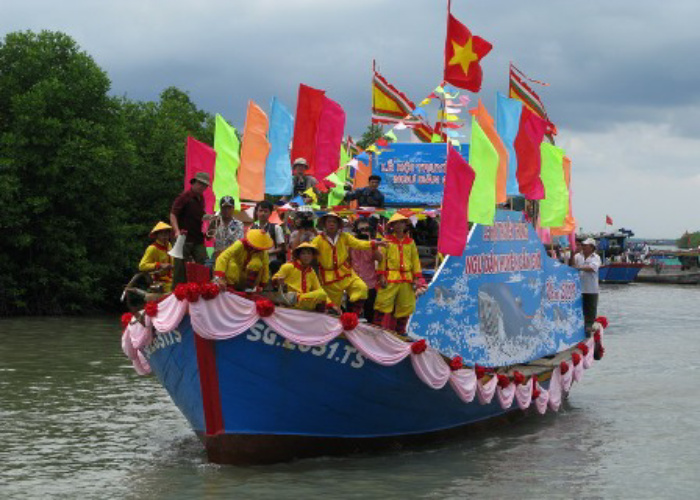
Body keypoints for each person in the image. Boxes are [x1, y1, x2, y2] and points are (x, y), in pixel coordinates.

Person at [311, 212, 384, 314]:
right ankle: (337, 323)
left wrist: (373, 243)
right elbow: (310, 251)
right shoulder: (318, 240)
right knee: (333, 307)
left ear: (338, 225)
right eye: (329, 222)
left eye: (334, 222)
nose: (331, 224)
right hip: (328, 277)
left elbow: (358, 243)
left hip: (345, 272)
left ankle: (353, 316)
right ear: (324, 224)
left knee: (361, 288)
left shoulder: (344, 236)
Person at [373, 213, 422, 335]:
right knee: (383, 302)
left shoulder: (410, 242)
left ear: (405, 224)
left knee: (406, 305)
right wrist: (382, 275)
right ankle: (376, 329)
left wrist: (416, 278)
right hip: (391, 276)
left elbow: (415, 260)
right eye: (396, 223)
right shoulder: (386, 241)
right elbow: (382, 259)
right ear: (392, 226)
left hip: (407, 278)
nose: (399, 226)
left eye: (401, 223)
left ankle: (400, 332)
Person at [170, 171, 210, 286]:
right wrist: (177, 231)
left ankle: (204, 290)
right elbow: (173, 214)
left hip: (197, 238)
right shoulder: (184, 197)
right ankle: (177, 295)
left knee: (204, 263)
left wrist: (210, 217)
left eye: (205, 185)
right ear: (194, 183)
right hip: (183, 238)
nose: (202, 187)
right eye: (200, 183)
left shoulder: (201, 198)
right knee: (180, 270)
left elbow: (199, 216)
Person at [271, 243, 329, 312]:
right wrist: (278, 281)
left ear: (312, 256)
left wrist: (332, 304)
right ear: (299, 256)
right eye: (303, 254)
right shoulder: (289, 266)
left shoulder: (311, 271)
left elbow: (318, 289)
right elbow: (275, 279)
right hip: (291, 299)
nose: (306, 256)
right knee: (321, 295)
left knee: (322, 293)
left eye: (308, 253)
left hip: (304, 300)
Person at [350, 218, 382, 321]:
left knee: (370, 316)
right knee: (352, 315)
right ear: (356, 230)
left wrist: (371, 245)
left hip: (370, 284)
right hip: (353, 284)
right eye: (362, 229)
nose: (364, 231)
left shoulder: (374, 243)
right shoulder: (350, 243)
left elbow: (380, 258)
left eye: (367, 229)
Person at [573, 238, 601, 334]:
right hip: (578, 288)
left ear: (592, 247)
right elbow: (572, 266)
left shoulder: (596, 257)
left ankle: (588, 330)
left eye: (586, 245)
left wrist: (579, 268)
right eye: (583, 245)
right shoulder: (577, 256)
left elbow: (593, 268)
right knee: (578, 310)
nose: (583, 247)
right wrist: (572, 253)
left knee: (590, 311)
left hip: (591, 289)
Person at [251, 200, 286, 275]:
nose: (262, 213)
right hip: (255, 263)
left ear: (270, 213)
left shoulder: (276, 228)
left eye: (266, 211)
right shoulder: (252, 228)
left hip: (271, 263)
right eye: (260, 211)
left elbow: (281, 248)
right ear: (256, 212)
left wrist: (267, 253)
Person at [138, 222, 174, 293]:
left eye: (166, 233)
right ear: (157, 235)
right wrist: (159, 265)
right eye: (162, 234)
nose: (165, 236)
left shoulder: (169, 245)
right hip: (159, 282)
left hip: (172, 279)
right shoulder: (152, 248)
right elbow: (142, 266)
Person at [207, 195, 244, 260]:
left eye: (229, 208)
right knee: (207, 266)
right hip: (217, 256)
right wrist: (212, 225)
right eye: (224, 208)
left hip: (232, 257)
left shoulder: (239, 224)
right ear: (220, 208)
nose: (226, 210)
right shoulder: (215, 222)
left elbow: (239, 243)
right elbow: (208, 238)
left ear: (233, 208)